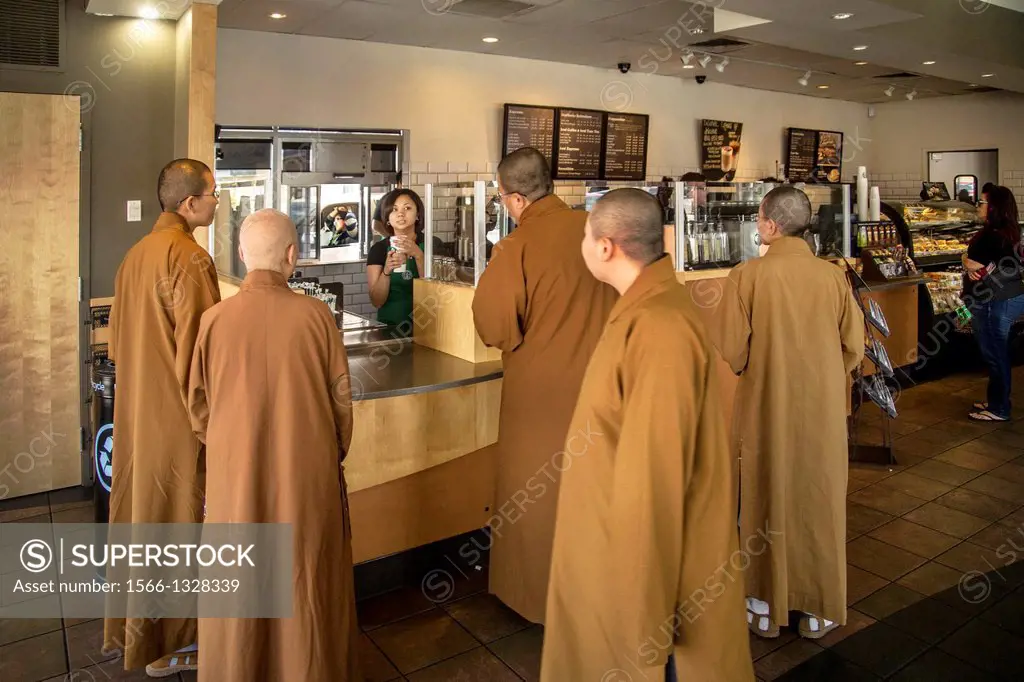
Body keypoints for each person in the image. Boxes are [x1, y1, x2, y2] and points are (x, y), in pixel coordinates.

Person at [541, 189, 754, 682]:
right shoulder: (643, 309)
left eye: (585, 235)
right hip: (619, 565)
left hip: (648, 592)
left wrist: (642, 625)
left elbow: (655, 482)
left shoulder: (659, 327)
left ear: (606, 246)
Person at [187, 209, 360, 681]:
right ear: (292, 255)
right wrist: (326, 453)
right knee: (306, 581)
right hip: (305, 479)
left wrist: (232, 448)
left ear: (242, 256)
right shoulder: (318, 317)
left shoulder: (213, 322)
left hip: (234, 478)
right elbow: (342, 405)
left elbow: (198, 408)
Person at [709, 185, 864, 641]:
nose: (757, 225)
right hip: (821, 411)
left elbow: (732, 349)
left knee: (762, 496)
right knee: (818, 500)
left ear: (771, 225)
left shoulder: (746, 276)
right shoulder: (832, 276)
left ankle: (762, 604)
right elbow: (853, 348)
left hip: (763, 408)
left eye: (759, 219)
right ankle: (818, 607)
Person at [472, 147, 618, 624]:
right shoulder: (600, 232)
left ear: (513, 200)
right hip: (605, 389)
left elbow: (493, 325)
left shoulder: (517, 245)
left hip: (541, 399)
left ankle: (541, 601)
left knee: (537, 498)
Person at [104, 158, 222, 676]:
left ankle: (137, 636)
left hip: (136, 416)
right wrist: (212, 427)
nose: (218, 203)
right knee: (178, 526)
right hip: (177, 421)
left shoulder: (134, 256)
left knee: (141, 522)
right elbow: (200, 358)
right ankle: (176, 645)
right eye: (213, 194)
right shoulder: (190, 259)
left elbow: (116, 344)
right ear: (189, 203)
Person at [963, 186, 1024, 421]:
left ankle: (999, 409)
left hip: (995, 300)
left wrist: (979, 270)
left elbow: (1008, 268)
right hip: (995, 297)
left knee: (995, 353)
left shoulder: (998, 235)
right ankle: (997, 401)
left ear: (994, 207)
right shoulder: (1006, 231)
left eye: (982, 202)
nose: (978, 206)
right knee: (995, 354)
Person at [366, 189, 427, 330]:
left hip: (428, 327)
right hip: (390, 328)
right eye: (394, 209)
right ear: (387, 217)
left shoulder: (432, 245)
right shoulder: (379, 250)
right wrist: (386, 272)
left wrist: (419, 256)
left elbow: (439, 292)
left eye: (407, 208)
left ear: (418, 214)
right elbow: (377, 301)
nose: (400, 214)